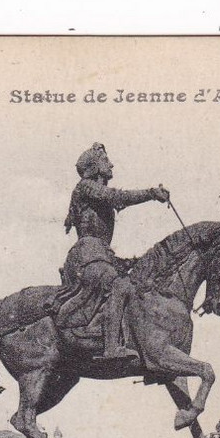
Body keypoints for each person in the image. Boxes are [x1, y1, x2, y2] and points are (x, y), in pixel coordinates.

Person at [59, 142, 169, 361]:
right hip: (87, 255)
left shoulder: (91, 189)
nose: (111, 165)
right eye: (106, 161)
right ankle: (111, 347)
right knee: (119, 285)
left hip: (100, 255)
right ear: (95, 166)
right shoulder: (86, 186)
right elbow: (117, 198)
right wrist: (151, 194)